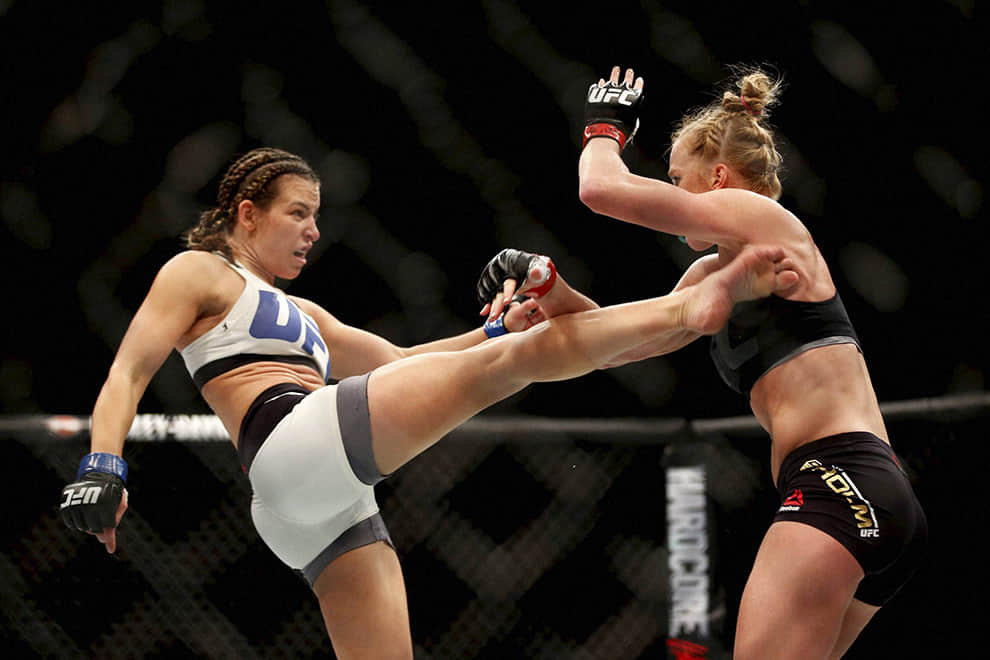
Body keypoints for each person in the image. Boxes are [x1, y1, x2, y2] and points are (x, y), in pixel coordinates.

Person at [58, 146, 796, 659]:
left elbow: (403, 365)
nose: (315, 229)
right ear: (246, 214)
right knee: (522, 362)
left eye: (317, 214)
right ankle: (689, 308)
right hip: (292, 443)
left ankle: (581, 328)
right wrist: (103, 462)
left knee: (509, 353)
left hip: (314, 501)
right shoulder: (199, 272)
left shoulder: (308, 316)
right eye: (298, 212)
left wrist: (490, 330)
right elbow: (127, 371)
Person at [578, 66, 928, 659]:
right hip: (864, 493)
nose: (669, 191)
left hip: (837, 482)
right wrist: (548, 293)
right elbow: (615, 348)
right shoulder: (712, 276)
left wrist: (604, 127)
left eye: (676, 179)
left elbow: (601, 191)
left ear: (718, 177)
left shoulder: (772, 224)